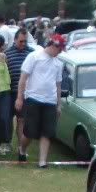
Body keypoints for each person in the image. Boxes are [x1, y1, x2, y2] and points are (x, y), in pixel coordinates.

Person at [15, 33, 65, 166]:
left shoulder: (58, 64)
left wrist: (58, 105)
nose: (60, 52)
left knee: (47, 132)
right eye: (59, 49)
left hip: (50, 101)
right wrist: (20, 97)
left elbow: (58, 85)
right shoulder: (34, 57)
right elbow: (23, 78)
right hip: (33, 98)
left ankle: (42, 161)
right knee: (30, 131)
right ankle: (22, 149)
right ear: (52, 45)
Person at [5, 28, 35, 145]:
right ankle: (7, 142)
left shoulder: (31, 53)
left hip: (25, 92)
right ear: (15, 39)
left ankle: (20, 145)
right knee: (7, 118)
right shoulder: (7, 54)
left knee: (21, 119)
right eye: (21, 41)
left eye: (25, 41)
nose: (23, 44)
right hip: (10, 91)